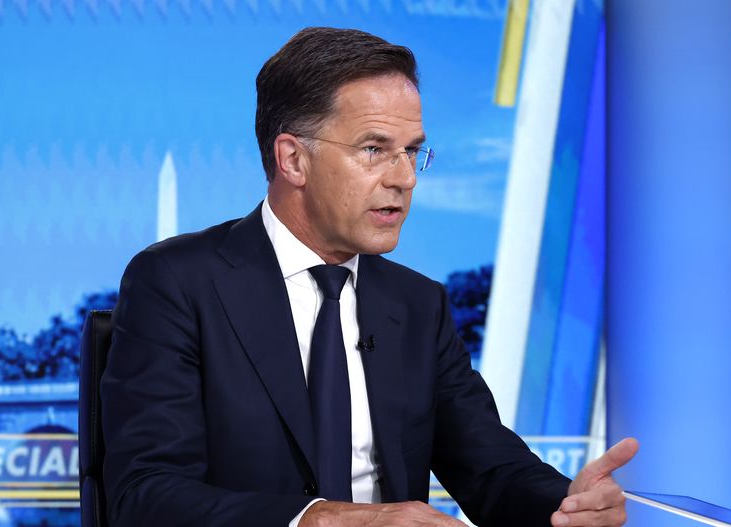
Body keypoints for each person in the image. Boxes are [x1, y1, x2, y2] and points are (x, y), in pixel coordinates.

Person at [100, 26, 638, 527]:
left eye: (412, 152)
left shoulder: (418, 304)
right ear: (293, 160)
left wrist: (565, 503)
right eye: (374, 149)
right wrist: (328, 520)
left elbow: (490, 465)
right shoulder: (177, 282)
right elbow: (146, 495)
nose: (405, 178)